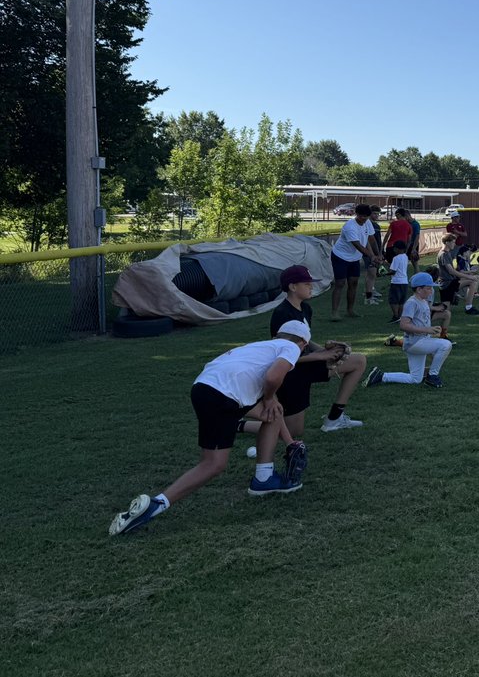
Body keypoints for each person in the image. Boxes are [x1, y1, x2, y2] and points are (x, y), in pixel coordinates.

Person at [108, 320, 309, 536]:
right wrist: (269, 398)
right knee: (213, 464)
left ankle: (264, 478)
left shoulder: (258, 348)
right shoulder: (291, 348)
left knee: (272, 413)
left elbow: (269, 400)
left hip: (205, 387)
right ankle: (155, 505)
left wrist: (290, 441)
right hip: (224, 396)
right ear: (302, 344)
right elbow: (273, 378)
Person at [251, 265, 367, 436]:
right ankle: (240, 425)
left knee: (358, 360)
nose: (311, 286)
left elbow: (304, 340)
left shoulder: (306, 308)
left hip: (307, 365)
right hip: (290, 374)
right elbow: (281, 358)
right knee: (293, 431)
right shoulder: (282, 314)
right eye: (306, 283)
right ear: (292, 287)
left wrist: (328, 350)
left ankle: (334, 419)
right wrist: (320, 356)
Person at [399, 272, 454, 388]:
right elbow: (403, 325)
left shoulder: (423, 301)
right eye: (428, 288)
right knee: (446, 345)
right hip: (415, 342)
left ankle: (382, 376)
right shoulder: (412, 303)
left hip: (418, 342)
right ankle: (432, 376)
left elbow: (421, 321)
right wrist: (427, 330)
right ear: (419, 289)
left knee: (415, 379)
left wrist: (432, 329)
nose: (431, 291)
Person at [330, 204, 377, 321]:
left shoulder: (367, 222)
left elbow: (369, 240)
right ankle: (334, 313)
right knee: (340, 283)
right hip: (340, 256)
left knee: (353, 283)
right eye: (361, 217)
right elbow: (358, 246)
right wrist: (372, 256)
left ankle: (350, 310)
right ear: (356, 214)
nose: (364, 219)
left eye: (366, 217)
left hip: (354, 258)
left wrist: (377, 254)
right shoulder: (349, 227)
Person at [437, 232, 479, 314]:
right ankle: (465, 305)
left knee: (472, 282)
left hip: (451, 282)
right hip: (447, 284)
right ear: (447, 242)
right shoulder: (444, 254)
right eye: (453, 242)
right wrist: (469, 276)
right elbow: (451, 271)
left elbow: (451, 270)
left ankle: (468, 307)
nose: (454, 244)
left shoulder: (447, 253)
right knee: (445, 311)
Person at [362, 206, 385, 306]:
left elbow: (378, 241)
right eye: (374, 213)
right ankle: (368, 297)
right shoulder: (368, 224)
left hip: (375, 252)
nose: (376, 216)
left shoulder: (375, 225)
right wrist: (374, 254)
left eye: (378, 214)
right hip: (369, 253)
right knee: (371, 274)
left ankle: (370, 291)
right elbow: (369, 240)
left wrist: (380, 252)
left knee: (371, 274)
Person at [386, 247, 411, 322]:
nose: (394, 250)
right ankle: (400, 316)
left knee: (393, 300)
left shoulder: (396, 258)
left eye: (395, 248)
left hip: (396, 281)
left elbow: (393, 271)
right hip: (404, 281)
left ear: (399, 249)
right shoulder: (405, 257)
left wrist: (385, 273)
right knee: (401, 301)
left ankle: (396, 316)